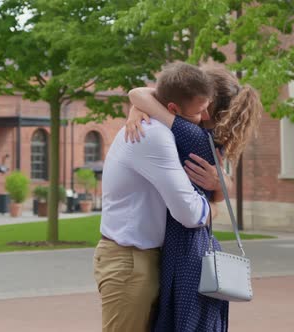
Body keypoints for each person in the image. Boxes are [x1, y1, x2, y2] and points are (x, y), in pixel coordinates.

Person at [125, 65, 263, 332]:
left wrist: (137, 107)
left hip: (185, 251)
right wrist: (136, 109)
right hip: (202, 249)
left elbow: (141, 94)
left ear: (207, 104)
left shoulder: (192, 137)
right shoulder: (214, 140)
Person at [94, 62, 217, 332]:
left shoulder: (159, 126)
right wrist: (216, 205)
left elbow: (146, 94)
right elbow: (189, 213)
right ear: (172, 109)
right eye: (199, 111)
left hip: (140, 260)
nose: (206, 117)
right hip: (130, 262)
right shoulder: (153, 135)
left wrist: (139, 102)